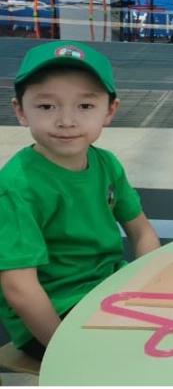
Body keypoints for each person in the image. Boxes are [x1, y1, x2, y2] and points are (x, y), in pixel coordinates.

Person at [0, 41, 160, 360]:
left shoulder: (107, 164)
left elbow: (142, 232)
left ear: (109, 111)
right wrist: (66, 352)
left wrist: (148, 286)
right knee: (140, 359)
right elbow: (20, 287)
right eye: (47, 106)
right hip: (54, 314)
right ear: (20, 111)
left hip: (108, 291)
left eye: (85, 106)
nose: (66, 120)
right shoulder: (17, 186)